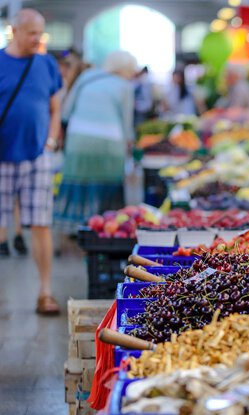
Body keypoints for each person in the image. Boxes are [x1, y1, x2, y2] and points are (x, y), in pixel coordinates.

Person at [0, 9, 63, 314]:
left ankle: (45, 292)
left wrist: (50, 142)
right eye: (31, 33)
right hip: (2, 157)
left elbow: (55, 108)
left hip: (38, 156)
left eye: (40, 33)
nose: (37, 39)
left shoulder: (47, 64)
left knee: (40, 224)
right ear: (14, 31)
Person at [54, 51, 136, 237]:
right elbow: (126, 123)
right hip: (110, 144)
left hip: (78, 140)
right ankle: (105, 229)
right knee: (108, 187)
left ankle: (75, 227)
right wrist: (129, 149)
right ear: (124, 69)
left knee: (78, 181)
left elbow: (66, 111)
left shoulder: (87, 77)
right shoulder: (125, 87)